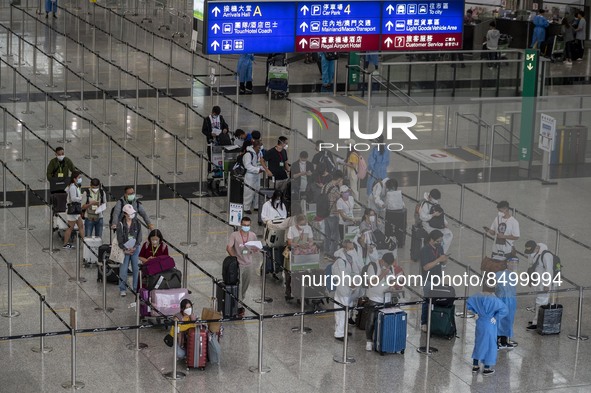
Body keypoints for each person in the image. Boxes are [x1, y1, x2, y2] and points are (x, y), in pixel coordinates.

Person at [467, 287, 508, 376]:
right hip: (490, 324)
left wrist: (477, 312)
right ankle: (486, 368)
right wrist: (496, 317)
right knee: (490, 345)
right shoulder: (494, 299)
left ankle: (475, 366)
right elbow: (504, 309)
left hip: (480, 323)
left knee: (479, 344)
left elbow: (469, 304)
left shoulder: (478, 296)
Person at [363, 252, 398, 351]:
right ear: (382, 260)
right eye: (386, 264)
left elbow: (392, 280)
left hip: (386, 297)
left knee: (385, 320)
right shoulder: (373, 266)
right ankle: (369, 341)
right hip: (374, 298)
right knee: (371, 320)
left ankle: (382, 339)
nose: (387, 266)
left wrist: (392, 286)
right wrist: (383, 274)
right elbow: (372, 283)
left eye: (389, 265)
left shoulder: (390, 267)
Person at [226, 217, 259, 314]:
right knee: (239, 285)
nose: (246, 227)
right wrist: (234, 258)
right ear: (241, 224)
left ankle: (241, 300)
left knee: (245, 284)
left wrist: (255, 249)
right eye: (244, 225)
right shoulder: (235, 235)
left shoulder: (252, 235)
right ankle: (239, 305)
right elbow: (228, 247)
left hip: (249, 264)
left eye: (248, 225)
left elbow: (255, 248)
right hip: (239, 265)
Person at [332, 239, 362, 341]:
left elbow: (356, 270)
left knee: (343, 310)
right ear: (344, 248)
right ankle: (339, 333)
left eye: (353, 248)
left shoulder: (349, 257)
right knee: (342, 311)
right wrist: (352, 284)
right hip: (343, 288)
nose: (352, 250)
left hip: (346, 288)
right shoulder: (340, 260)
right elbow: (343, 276)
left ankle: (341, 330)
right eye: (350, 248)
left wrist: (355, 282)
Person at [420, 230, 448, 331]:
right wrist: (438, 260)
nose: (439, 243)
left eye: (440, 241)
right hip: (428, 279)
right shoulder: (425, 250)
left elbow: (443, 263)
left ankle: (434, 321)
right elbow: (426, 267)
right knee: (427, 301)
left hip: (438, 278)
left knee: (436, 301)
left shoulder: (440, 248)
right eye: (437, 241)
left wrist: (444, 260)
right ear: (431, 239)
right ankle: (424, 322)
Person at [524, 240, 554, 330]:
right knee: (538, 301)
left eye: (532, 251)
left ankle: (536, 322)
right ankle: (537, 320)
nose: (530, 253)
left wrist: (547, 284)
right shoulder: (535, 254)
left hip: (544, 283)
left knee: (541, 302)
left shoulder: (546, 255)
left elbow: (549, 270)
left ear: (536, 248)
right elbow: (532, 267)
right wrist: (530, 280)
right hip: (538, 282)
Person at [285, 214, 315, 300]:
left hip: (304, 253)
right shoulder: (292, 229)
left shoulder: (308, 228)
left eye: (304, 224)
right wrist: (299, 245)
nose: (303, 226)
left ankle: (304, 292)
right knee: (289, 274)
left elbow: (311, 240)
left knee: (305, 272)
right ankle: (288, 291)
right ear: (297, 223)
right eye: (301, 224)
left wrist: (308, 245)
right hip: (292, 253)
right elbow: (289, 243)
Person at [116, 204, 142, 297]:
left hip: (135, 249)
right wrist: (125, 248)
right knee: (123, 270)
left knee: (136, 269)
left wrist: (135, 247)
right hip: (125, 250)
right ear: (125, 214)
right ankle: (122, 289)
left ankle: (136, 288)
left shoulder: (137, 222)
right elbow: (119, 239)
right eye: (129, 214)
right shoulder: (120, 224)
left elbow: (139, 237)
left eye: (132, 213)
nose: (131, 215)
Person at [418, 189, 453, 254]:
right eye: (435, 198)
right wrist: (433, 215)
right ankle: (437, 252)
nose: (436, 200)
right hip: (428, 226)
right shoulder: (426, 204)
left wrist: (445, 223)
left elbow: (442, 216)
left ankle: (442, 252)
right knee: (438, 235)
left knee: (449, 234)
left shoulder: (436, 204)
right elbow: (422, 217)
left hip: (437, 225)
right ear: (430, 197)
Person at [496, 257, 518, 349]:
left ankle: (504, 341)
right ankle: (496, 341)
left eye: (516, 263)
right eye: (511, 262)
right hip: (502, 300)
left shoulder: (514, 275)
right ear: (507, 263)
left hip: (511, 301)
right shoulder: (500, 274)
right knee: (499, 321)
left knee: (509, 320)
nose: (513, 265)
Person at [322, 171, 344, 258]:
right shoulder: (335, 189)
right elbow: (342, 198)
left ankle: (326, 251)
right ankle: (332, 254)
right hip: (333, 213)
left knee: (327, 233)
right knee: (335, 234)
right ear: (339, 179)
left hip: (325, 212)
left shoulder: (325, 185)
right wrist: (341, 186)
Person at [202, 106, 229, 171]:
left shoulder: (221, 118)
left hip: (220, 141)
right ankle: (210, 171)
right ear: (213, 112)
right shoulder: (207, 119)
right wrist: (210, 134)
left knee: (220, 157)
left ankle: (220, 172)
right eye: (215, 114)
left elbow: (225, 126)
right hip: (211, 142)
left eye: (218, 114)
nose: (216, 116)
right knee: (211, 158)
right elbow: (203, 130)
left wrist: (225, 129)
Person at [63, 171, 85, 249]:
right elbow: (73, 198)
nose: (80, 179)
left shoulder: (74, 186)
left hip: (75, 211)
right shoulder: (72, 187)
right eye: (79, 177)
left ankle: (85, 242)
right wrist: (81, 197)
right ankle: (65, 244)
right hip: (73, 211)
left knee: (81, 226)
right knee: (70, 228)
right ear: (74, 178)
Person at [242, 140, 264, 215]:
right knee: (249, 191)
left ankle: (256, 206)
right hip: (250, 175)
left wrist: (262, 168)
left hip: (257, 175)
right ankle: (246, 207)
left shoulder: (259, 153)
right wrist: (257, 169)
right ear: (255, 146)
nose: (260, 148)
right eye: (259, 146)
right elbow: (247, 166)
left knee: (257, 190)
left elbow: (259, 162)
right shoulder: (248, 154)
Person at [290, 151, 313, 215]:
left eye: (305, 160)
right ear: (299, 157)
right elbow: (292, 176)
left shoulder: (310, 164)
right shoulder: (294, 164)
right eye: (302, 160)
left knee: (306, 201)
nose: (303, 161)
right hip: (297, 186)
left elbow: (313, 175)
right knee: (297, 201)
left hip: (307, 185)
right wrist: (300, 174)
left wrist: (310, 174)